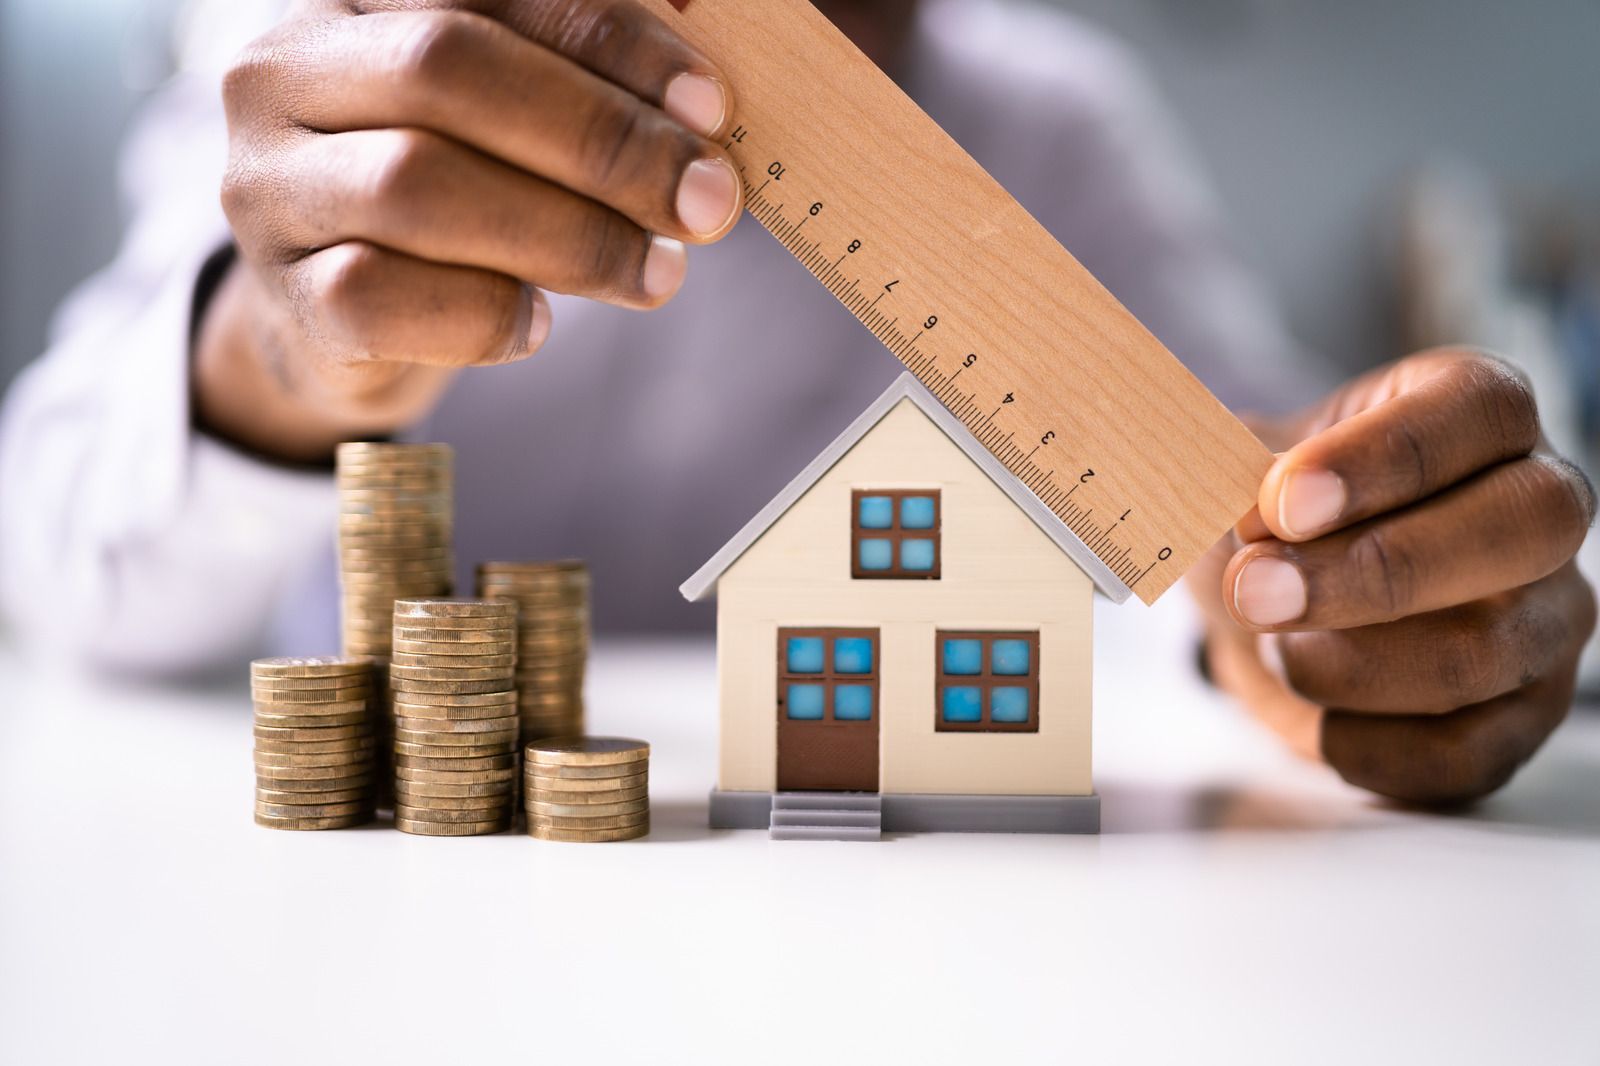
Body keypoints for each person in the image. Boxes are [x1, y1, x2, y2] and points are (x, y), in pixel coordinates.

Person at [0, 0, 1590, 807]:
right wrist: (279, 356)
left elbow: (1231, 502)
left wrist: (1349, 583)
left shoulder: (1052, 122)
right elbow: (57, 558)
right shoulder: (344, 66)